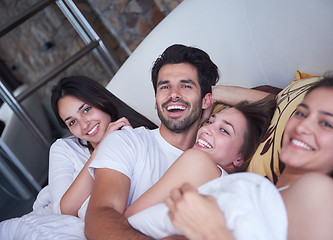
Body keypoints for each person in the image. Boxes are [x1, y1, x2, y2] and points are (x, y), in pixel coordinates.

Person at [130, 74, 333, 239]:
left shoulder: (319, 189)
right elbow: (276, 104)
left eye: (326, 123)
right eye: (301, 113)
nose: (303, 127)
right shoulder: (261, 187)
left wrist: (213, 232)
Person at [84, 44, 270, 239]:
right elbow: (101, 215)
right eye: (165, 87)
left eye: (186, 85)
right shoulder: (127, 141)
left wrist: (216, 92)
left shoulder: (210, 164)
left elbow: (280, 104)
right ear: (156, 101)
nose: (173, 94)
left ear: (207, 100)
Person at [0, 75, 157, 238]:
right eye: (72, 122)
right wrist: (101, 149)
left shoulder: (137, 135)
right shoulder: (64, 148)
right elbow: (64, 211)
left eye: (86, 110)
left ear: (101, 101)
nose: (84, 125)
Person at [124, 96, 276, 217]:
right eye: (210, 121)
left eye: (224, 130)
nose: (206, 129)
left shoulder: (197, 162)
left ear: (240, 158)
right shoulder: (225, 187)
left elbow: (128, 222)